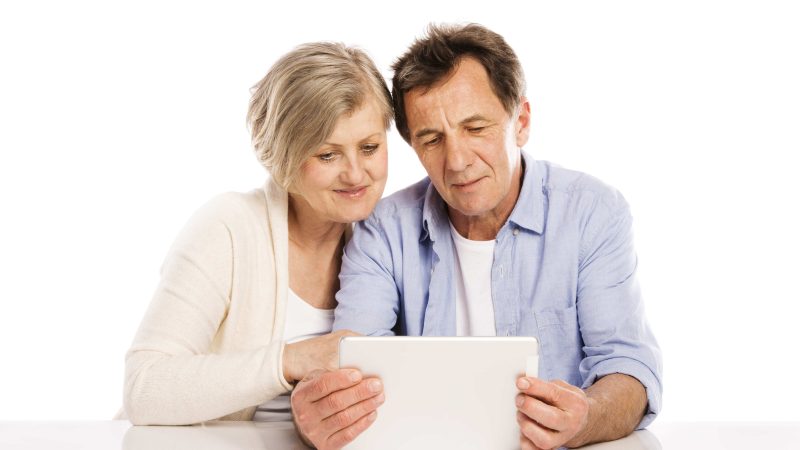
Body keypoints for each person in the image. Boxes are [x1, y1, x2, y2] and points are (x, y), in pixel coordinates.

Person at [293, 23, 662, 449]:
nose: (457, 161)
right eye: (432, 139)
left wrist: (587, 416)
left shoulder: (592, 212)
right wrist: (320, 410)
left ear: (520, 122)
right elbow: (351, 363)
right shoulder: (383, 229)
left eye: (475, 128)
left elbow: (629, 368)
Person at [120, 42, 391, 426]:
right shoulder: (228, 228)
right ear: (284, 155)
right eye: (327, 155)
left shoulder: (391, 240)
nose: (355, 173)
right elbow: (144, 389)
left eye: (369, 147)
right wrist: (293, 359)